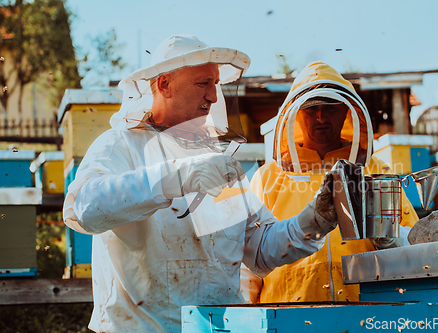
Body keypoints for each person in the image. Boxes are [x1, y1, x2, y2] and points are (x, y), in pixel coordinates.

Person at [63, 36, 339, 333]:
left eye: (216, 84)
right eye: (203, 83)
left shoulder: (214, 161)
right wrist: (175, 177)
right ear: (164, 84)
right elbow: (82, 209)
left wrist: (313, 221)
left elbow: (260, 249)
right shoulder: (120, 145)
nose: (213, 97)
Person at [242, 62, 419, 304]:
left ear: (347, 111)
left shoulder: (375, 169)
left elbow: (415, 246)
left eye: (331, 107)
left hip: (367, 313)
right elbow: (247, 263)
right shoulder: (267, 178)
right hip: (285, 317)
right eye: (310, 108)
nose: (321, 116)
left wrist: (391, 238)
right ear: (295, 113)